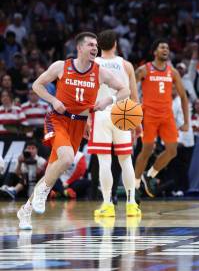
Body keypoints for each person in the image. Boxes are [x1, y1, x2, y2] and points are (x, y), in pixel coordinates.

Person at [16, 32, 129, 231]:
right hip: (57, 120)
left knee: (52, 170)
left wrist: (108, 100)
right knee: (67, 158)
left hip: (79, 125)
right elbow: (37, 85)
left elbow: (124, 90)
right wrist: (53, 100)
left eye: (96, 46)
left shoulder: (100, 71)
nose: (95, 48)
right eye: (91, 45)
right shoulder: (61, 66)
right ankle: (42, 193)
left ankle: (25, 210)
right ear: (80, 48)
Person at [88, 30, 141, 218]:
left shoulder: (92, 65)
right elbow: (134, 95)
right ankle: (132, 204)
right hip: (123, 113)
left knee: (104, 160)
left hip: (100, 114)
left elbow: (89, 95)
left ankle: (107, 204)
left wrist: (87, 119)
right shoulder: (126, 65)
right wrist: (137, 123)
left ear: (99, 46)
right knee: (125, 160)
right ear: (116, 44)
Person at [134, 39, 190, 197]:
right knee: (147, 150)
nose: (166, 49)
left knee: (172, 151)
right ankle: (135, 186)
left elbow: (184, 97)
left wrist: (186, 122)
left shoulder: (173, 72)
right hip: (149, 115)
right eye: (162, 47)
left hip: (167, 116)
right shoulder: (144, 70)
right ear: (155, 52)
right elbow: (130, 86)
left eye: (167, 47)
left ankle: (149, 175)